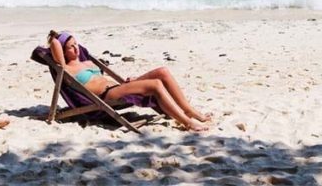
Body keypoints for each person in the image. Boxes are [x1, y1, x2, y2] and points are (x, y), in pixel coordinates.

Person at [49, 31, 210, 131]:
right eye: (70, 47)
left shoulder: (86, 61)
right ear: (63, 51)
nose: (76, 48)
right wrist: (55, 37)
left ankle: (189, 110)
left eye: (76, 44)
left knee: (163, 72)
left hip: (120, 87)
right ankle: (188, 123)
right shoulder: (67, 68)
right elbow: (55, 45)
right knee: (155, 85)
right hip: (107, 95)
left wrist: (133, 81)